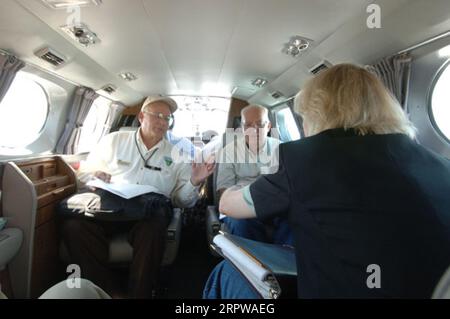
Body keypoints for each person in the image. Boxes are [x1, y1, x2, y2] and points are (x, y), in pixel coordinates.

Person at [205, 64, 450, 298]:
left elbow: (227, 203)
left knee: (224, 274)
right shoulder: (441, 165)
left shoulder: (302, 156)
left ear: (317, 113)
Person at [60, 96, 215, 299]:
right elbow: (83, 174)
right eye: (158, 116)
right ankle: (108, 292)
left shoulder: (178, 155)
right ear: (141, 116)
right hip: (109, 210)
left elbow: (181, 201)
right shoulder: (113, 141)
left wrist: (194, 182)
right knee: (75, 227)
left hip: (148, 216)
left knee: (153, 228)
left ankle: (139, 294)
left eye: (168, 118)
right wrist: (94, 174)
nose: (163, 122)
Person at [216, 105, 292, 245]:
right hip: (240, 203)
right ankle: (252, 264)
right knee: (242, 223)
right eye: (248, 125)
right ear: (242, 128)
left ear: (268, 126)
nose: (254, 130)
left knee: (295, 219)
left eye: (260, 124)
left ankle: (284, 260)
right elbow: (224, 190)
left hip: (274, 204)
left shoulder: (282, 149)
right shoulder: (228, 152)